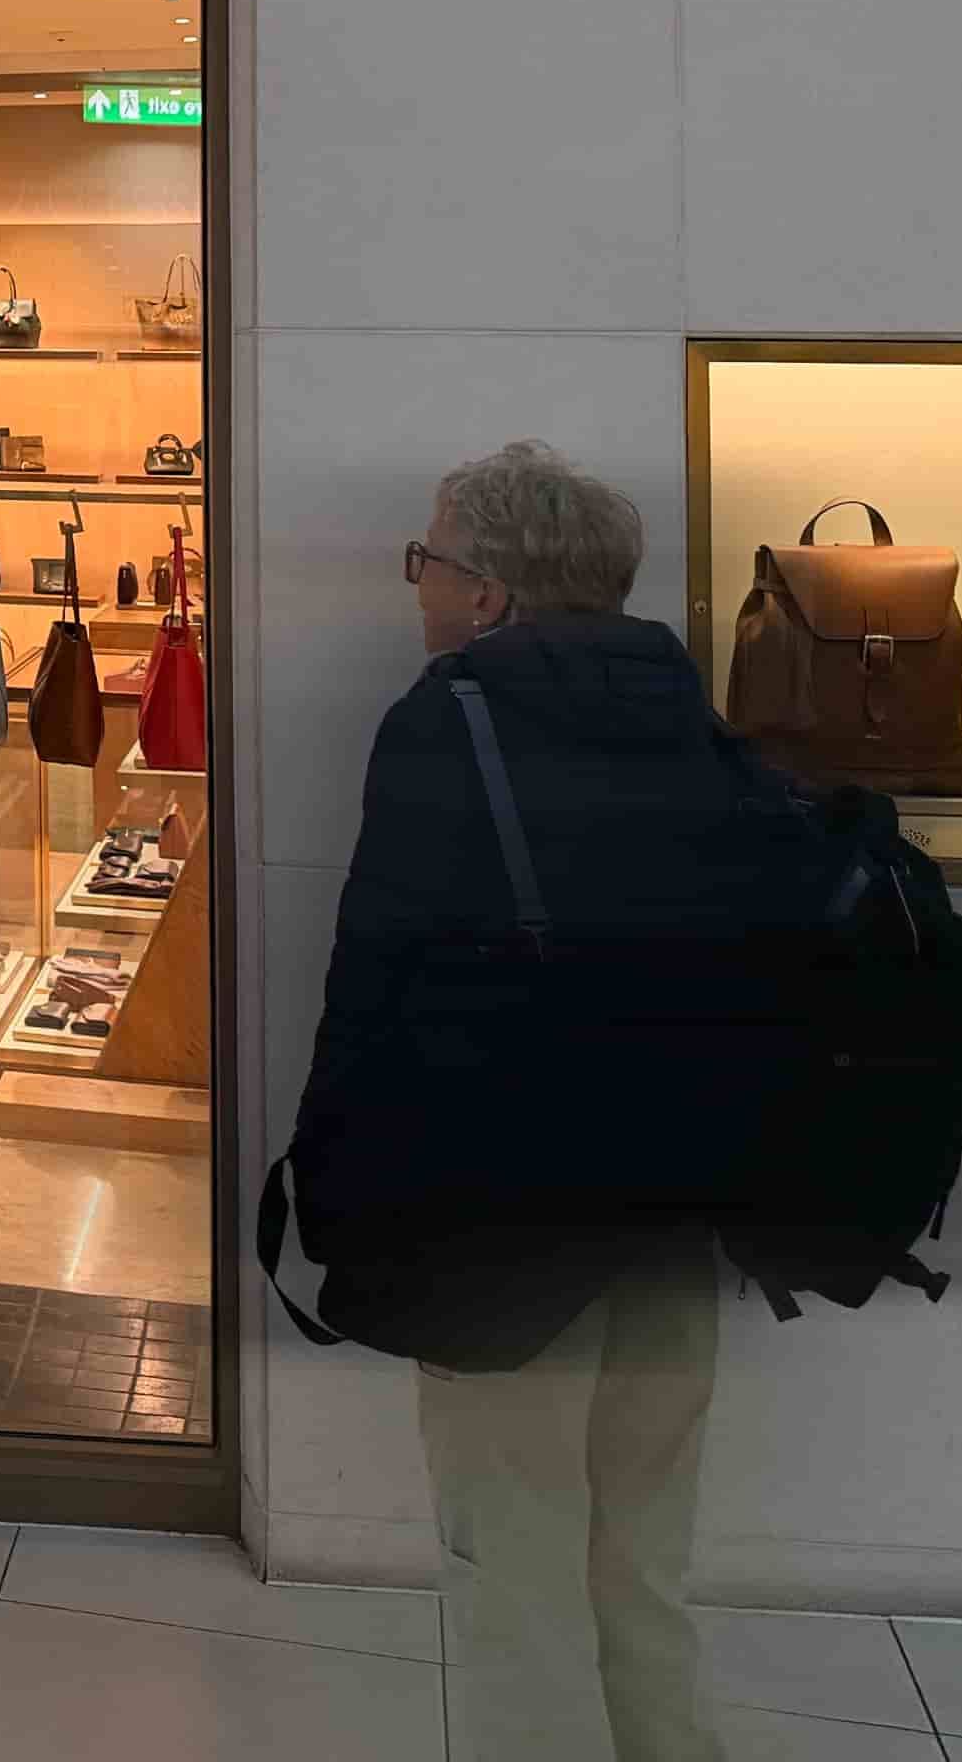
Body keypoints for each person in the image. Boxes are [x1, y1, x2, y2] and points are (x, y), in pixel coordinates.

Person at [299, 441, 763, 1762]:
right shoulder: (695, 713)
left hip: (507, 1223)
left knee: (511, 1561)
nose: (420, 582)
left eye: (430, 557)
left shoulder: (450, 719)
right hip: (679, 1209)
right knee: (641, 1553)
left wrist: (334, 1198)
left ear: (492, 594)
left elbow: (379, 978)